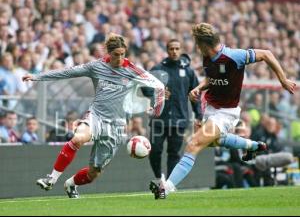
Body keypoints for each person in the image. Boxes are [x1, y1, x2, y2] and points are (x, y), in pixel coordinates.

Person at [149, 23, 296, 199]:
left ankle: (166, 188)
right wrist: (199, 88)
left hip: (226, 112)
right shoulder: (207, 57)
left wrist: (283, 79)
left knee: (194, 144)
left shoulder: (234, 56)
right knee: (212, 142)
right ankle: (253, 146)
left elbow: (266, 54)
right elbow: (211, 79)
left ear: (204, 44)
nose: (196, 47)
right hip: (210, 107)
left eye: (197, 44)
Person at [23, 33, 165, 198]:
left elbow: (160, 86)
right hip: (96, 115)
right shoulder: (96, 67)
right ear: (108, 53)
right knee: (78, 138)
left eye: (123, 54)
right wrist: (37, 77)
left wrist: (156, 110)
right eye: (116, 55)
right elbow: (67, 72)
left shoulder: (132, 70)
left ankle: (70, 184)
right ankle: (51, 179)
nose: (119, 58)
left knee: (94, 173)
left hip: (116, 126)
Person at [144, 39, 202, 180]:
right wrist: (158, 93)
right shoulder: (158, 69)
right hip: (159, 119)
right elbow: (145, 88)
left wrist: (199, 114)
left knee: (174, 153)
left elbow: (195, 94)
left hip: (179, 119)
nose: (174, 51)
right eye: (171, 49)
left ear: (181, 50)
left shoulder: (188, 71)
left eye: (177, 48)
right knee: (155, 150)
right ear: (167, 50)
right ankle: (159, 178)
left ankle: (169, 183)